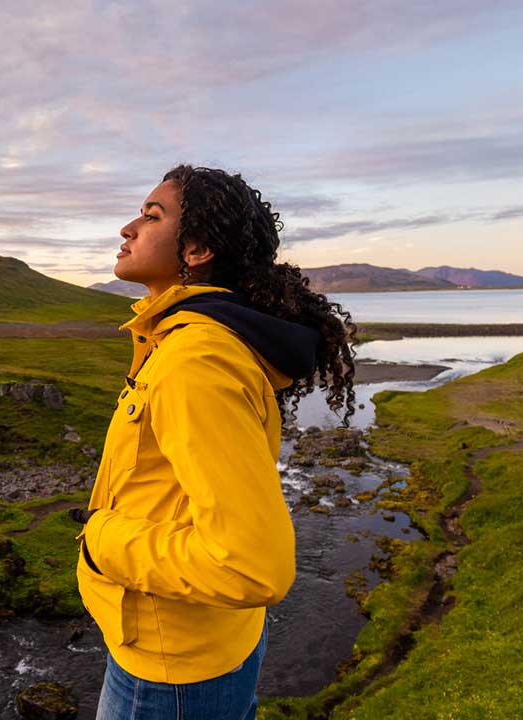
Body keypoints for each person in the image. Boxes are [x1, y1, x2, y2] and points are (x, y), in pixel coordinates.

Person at [72, 164, 358, 719]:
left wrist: (102, 541)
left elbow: (254, 567)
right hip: (199, 645)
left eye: (151, 216)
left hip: (169, 670)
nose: (127, 229)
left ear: (197, 248)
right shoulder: (185, 340)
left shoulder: (194, 359)